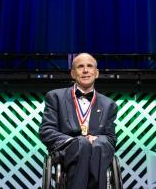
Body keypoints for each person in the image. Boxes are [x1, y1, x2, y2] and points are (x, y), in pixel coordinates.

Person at [39, 53, 118, 189]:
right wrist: (74, 141)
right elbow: (46, 131)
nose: (85, 70)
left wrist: (97, 138)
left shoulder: (109, 104)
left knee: (100, 144)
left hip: (97, 151)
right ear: (73, 73)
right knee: (82, 144)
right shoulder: (55, 97)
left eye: (90, 66)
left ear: (96, 73)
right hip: (67, 151)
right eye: (80, 67)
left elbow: (111, 138)